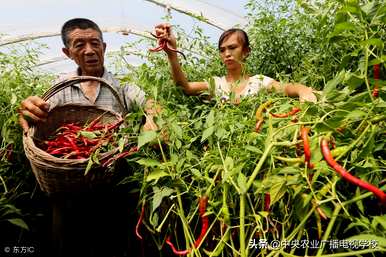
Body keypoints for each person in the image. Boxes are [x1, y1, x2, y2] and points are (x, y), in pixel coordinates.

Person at [18, 18, 159, 257]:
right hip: (66, 189)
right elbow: (33, 118)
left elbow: (152, 105)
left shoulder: (124, 86)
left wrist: (153, 120)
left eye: (95, 43)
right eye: (79, 45)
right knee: (66, 245)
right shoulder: (61, 87)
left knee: (114, 245)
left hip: (112, 188)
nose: (90, 50)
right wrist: (27, 113)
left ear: (104, 47)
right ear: (67, 52)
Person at [153, 24, 317, 103]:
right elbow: (185, 88)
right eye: (222, 50)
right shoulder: (215, 84)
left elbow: (286, 88)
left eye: (232, 48)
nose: (227, 54)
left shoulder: (259, 82)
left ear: (246, 51)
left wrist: (302, 90)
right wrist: (172, 53)